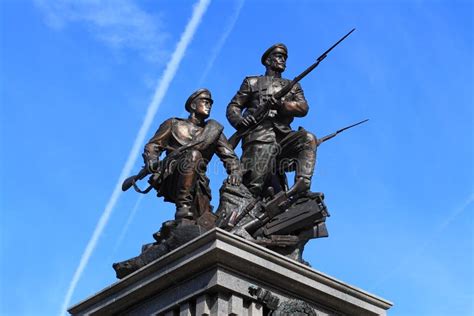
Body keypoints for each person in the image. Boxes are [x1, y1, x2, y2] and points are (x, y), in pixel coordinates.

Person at [226, 43, 317, 198]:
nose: (283, 60)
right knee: (254, 185)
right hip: (259, 136)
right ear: (268, 61)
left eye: (284, 58)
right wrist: (240, 121)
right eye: (279, 56)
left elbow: (303, 108)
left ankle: (302, 184)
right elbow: (233, 106)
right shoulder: (252, 82)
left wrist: (283, 105)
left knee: (308, 138)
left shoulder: (293, 86)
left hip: (284, 137)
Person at [144, 88, 242, 220]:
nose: (209, 105)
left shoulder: (213, 130)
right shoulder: (173, 124)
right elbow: (153, 145)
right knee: (194, 154)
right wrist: (151, 159)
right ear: (193, 105)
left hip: (198, 179)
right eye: (205, 102)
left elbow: (229, 156)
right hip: (173, 172)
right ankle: (183, 206)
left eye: (210, 103)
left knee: (204, 219)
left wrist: (235, 171)